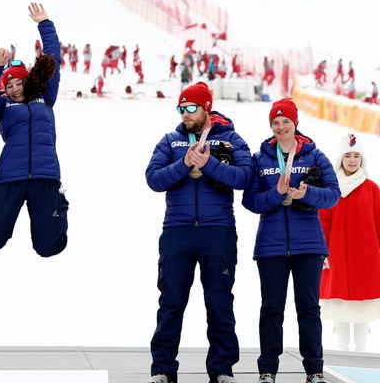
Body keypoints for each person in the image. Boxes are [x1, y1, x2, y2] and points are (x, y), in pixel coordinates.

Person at [145, 82, 254, 383]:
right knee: (170, 302)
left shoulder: (230, 140)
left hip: (217, 231)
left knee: (219, 301)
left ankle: (222, 369)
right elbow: (153, 178)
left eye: (191, 108)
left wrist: (209, 165)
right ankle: (163, 369)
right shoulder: (171, 141)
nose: (185, 114)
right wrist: (184, 164)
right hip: (177, 231)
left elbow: (245, 176)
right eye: (181, 108)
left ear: (206, 107)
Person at [242, 99, 340, 383]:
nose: (281, 127)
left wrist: (304, 195)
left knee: (308, 308)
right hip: (270, 246)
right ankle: (267, 370)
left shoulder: (314, 156)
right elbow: (250, 200)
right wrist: (277, 194)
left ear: (295, 124)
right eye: (275, 122)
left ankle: (314, 370)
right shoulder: (260, 159)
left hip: (308, 245)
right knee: (271, 308)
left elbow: (333, 195)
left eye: (285, 121)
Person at [0, 3, 69, 258]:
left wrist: (45, 25)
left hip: (45, 174)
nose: (15, 88)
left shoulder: (45, 97)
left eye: (20, 82)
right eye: (10, 85)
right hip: (10, 176)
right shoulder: (2, 106)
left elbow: (53, 62)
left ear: (28, 82)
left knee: (49, 247)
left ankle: (58, 203)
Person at [319, 134, 380, 351]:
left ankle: (362, 357)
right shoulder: (331, 189)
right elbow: (323, 222)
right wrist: (322, 251)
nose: (352, 160)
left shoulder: (372, 189)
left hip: (366, 262)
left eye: (356, 156)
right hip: (336, 260)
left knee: (363, 317)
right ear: (340, 159)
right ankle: (342, 354)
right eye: (347, 156)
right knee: (341, 315)